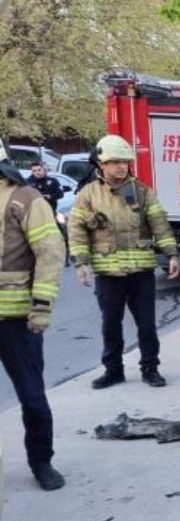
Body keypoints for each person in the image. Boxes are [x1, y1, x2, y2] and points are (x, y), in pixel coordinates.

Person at [69, 135, 180, 389]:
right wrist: (81, 263)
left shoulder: (142, 191)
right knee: (111, 325)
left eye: (125, 162)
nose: (122, 167)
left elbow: (160, 225)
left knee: (147, 326)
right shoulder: (88, 195)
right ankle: (114, 370)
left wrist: (171, 254)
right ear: (101, 165)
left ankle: (150, 369)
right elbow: (76, 231)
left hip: (140, 272)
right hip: (109, 273)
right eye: (115, 162)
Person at [0, 140, 67, 490]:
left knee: (32, 398)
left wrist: (41, 307)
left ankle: (42, 463)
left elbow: (51, 252)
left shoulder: (24, 198)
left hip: (17, 320)